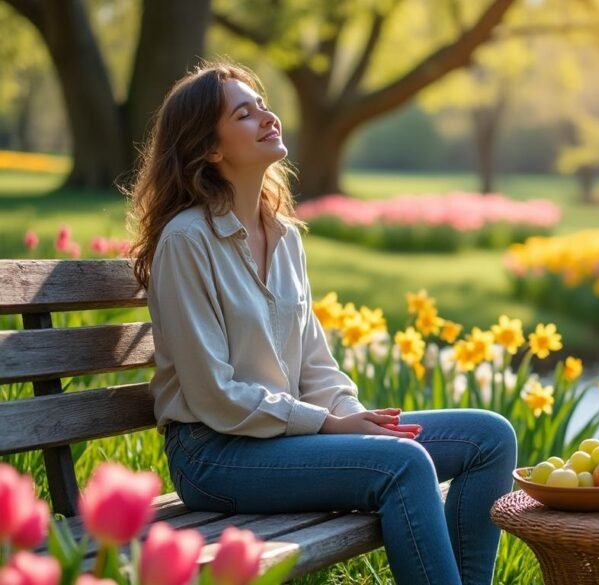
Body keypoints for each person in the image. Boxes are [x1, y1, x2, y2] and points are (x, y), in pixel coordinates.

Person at [126, 61, 517, 585]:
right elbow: (212, 394)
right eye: (245, 114)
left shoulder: (284, 238)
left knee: (489, 438)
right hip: (215, 454)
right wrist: (331, 426)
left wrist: (359, 420)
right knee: (404, 465)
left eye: (263, 105)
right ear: (211, 149)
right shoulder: (186, 241)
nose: (269, 117)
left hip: (284, 445)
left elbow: (316, 366)